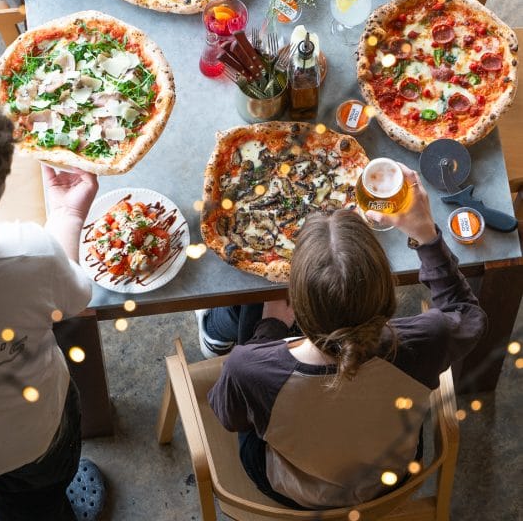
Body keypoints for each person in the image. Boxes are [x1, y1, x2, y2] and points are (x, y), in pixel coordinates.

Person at [206, 165, 487, 510]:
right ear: (387, 293)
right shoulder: (427, 340)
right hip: (388, 479)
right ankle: (223, 326)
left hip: (294, 489)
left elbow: (227, 416)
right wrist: (426, 234)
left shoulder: (247, 368)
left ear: (297, 308)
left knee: (252, 308)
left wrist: (272, 330)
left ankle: (216, 331)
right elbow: (467, 312)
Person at [0, 103, 105, 521]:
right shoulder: (26, 254)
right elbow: (74, 300)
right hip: (30, 435)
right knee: (36, 503)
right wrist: (67, 215)